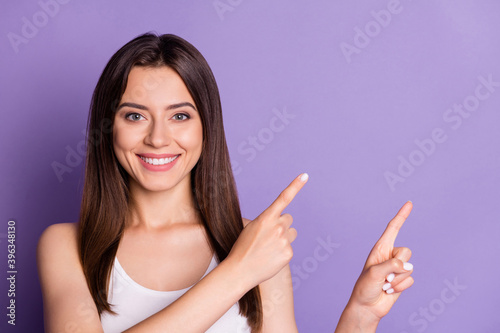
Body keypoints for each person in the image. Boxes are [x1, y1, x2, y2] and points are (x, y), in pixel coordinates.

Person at [37, 32, 414, 332]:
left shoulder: (258, 243)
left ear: (207, 127)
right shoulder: (66, 246)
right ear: (109, 127)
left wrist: (361, 316)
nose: (157, 138)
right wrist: (240, 271)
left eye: (180, 116)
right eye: (135, 116)